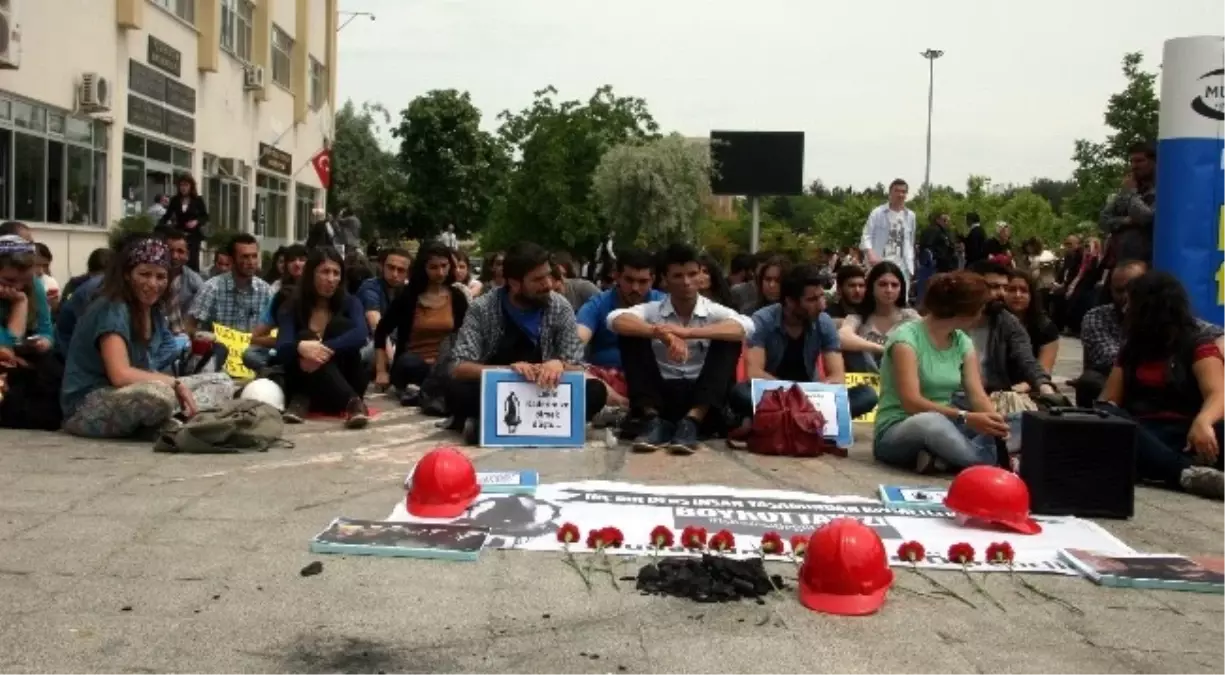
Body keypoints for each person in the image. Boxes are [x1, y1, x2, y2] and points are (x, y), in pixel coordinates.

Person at [60, 238, 233, 439]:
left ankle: (169, 421)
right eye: (144, 274)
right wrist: (174, 384)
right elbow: (120, 374)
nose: (153, 284)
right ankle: (172, 421)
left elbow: (158, 362)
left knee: (221, 382)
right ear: (127, 275)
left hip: (139, 390)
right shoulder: (112, 307)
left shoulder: (154, 311)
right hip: (90, 403)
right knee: (157, 395)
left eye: (161, 276)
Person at [447, 242, 606, 442]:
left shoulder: (560, 306)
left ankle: (487, 424)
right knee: (456, 392)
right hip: (500, 389)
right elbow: (460, 366)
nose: (548, 284)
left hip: (545, 390)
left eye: (548, 275)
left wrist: (558, 364)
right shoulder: (482, 308)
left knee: (595, 391)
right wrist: (507, 371)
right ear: (514, 283)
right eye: (538, 279)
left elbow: (578, 365)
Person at [607, 244, 751, 454]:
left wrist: (687, 333)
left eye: (692, 274)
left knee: (728, 338)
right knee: (632, 334)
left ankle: (692, 422)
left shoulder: (713, 311)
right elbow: (615, 319)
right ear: (664, 279)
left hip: (702, 398)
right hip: (661, 396)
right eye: (677, 276)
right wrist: (662, 334)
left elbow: (745, 326)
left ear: (701, 275)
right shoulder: (652, 310)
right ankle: (653, 421)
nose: (686, 282)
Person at [1097, 271, 1225, 500]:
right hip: (1144, 432)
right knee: (1107, 418)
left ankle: (1171, 467)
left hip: (1188, 433)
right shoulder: (1131, 350)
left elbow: (1219, 393)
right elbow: (1109, 401)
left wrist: (1203, 421)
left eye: (1130, 304)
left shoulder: (1196, 343)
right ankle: (1184, 473)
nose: (1125, 310)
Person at [872, 272, 1011, 474]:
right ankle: (989, 462)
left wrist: (994, 423)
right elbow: (912, 403)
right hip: (901, 428)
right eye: (981, 308)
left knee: (1019, 421)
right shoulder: (906, 339)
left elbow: (977, 394)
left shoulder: (962, 341)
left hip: (950, 424)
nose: (982, 314)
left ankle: (947, 458)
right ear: (965, 312)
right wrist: (966, 417)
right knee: (931, 422)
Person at [730, 265, 878, 424]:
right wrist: (795, 392)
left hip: (812, 396)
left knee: (867, 395)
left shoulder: (823, 321)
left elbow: (837, 376)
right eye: (812, 300)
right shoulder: (763, 320)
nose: (822, 305)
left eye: (822, 297)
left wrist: (813, 394)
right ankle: (807, 419)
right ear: (790, 301)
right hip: (774, 394)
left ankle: (789, 419)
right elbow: (755, 374)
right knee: (740, 394)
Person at [276, 247, 371, 428]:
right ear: (311, 274)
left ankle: (351, 401)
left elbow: (361, 334)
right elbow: (282, 346)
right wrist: (300, 348)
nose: (331, 279)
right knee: (304, 337)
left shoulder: (351, 302)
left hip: (346, 381)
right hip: (307, 384)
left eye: (336, 273)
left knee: (339, 326)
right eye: (325, 272)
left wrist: (320, 350)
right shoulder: (292, 304)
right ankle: (349, 402)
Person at [374, 242, 469, 404]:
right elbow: (381, 331)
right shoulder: (408, 296)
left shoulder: (457, 297)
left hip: (445, 364)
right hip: (413, 364)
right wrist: (381, 371)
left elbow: (466, 335)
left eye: (444, 266)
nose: (440, 272)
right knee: (409, 363)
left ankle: (430, 393)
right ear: (423, 268)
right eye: (433, 267)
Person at [577, 248, 664, 408]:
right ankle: (624, 405)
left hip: (652, 377)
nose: (635, 288)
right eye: (629, 280)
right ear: (616, 276)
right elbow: (577, 339)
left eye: (643, 282)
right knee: (573, 371)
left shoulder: (664, 304)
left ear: (652, 279)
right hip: (606, 380)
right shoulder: (597, 304)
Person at [0, 235, 62, 430]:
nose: (17, 286)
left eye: (24, 281)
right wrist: (20, 303)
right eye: (9, 280)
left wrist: (44, 341)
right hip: (7, 356)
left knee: (53, 366)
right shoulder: (21, 295)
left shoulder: (34, 286)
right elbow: (6, 343)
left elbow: (46, 329)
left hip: (25, 354)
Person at [837, 262, 920, 374]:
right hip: (868, 381)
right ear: (871, 287)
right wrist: (882, 349)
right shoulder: (859, 317)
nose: (889, 290)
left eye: (894, 285)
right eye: (882, 284)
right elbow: (842, 338)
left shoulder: (910, 316)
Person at [243, 244, 307, 373]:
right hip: (286, 350)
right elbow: (255, 336)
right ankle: (277, 372)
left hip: (315, 349)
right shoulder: (279, 295)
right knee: (250, 354)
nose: (297, 264)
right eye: (292, 260)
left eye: (302, 259)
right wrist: (284, 342)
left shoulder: (320, 291)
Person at [1100, 143, 1156, 266]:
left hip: (1148, 261)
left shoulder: (1161, 189)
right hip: (1122, 260)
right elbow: (1104, 220)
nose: (1134, 166)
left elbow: (1146, 218)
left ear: (1153, 162)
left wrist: (1131, 193)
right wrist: (1126, 221)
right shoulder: (1126, 190)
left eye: (1140, 161)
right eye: (1132, 161)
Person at [859, 179, 916, 287]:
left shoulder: (910, 216)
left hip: (902, 265)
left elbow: (911, 240)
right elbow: (866, 235)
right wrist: (870, 254)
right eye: (897, 191)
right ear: (890, 193)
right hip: (881, 263)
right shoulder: (878, 213)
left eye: (903, 192)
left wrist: (911, 263)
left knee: (902, 298)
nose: (900, 194)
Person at [1003, 269, 1060, 375]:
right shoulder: (991, 322)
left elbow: (1044, 370)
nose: (1018, 295)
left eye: (1024, 290)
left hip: (1032, 384)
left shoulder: (1045, 327)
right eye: (1011, 289)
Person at [158, 174, 209, 271]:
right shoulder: (175, 200)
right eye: (181, 185)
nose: (183, 188)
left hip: (194, 235)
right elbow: (167, 215)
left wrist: (196, 221)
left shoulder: (198, 200)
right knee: (178, 260)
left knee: (192, 261)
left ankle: (194, 283)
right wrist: (159, 226)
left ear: (191, 186)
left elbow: (205, 216)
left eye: (186, 185)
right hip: (179, 235)